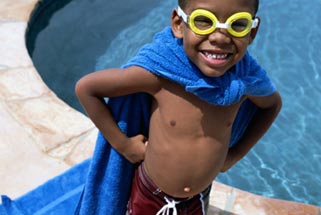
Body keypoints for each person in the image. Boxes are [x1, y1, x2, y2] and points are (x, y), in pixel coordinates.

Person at [75, 0, 282, 214]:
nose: (220, 37)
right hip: (151, 194)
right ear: (178, 24)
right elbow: (87, 89)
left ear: (252, 32)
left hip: (198, 196)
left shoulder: (243, 82)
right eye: (204, 21)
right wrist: (124, 145)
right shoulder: (161, 75)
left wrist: (235, 154)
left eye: (238, 24)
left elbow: (272, 105)